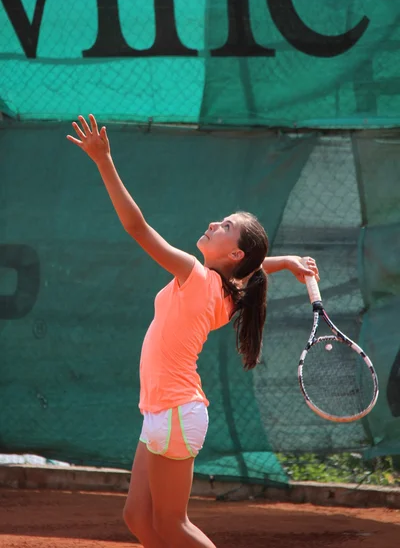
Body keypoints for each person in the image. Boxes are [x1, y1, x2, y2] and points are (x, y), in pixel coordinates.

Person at [67, 115, 320, 548]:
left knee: (173, 525)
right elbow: (250, 274)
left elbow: (137, 228)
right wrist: (287, 259)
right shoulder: (224, 294)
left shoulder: (198, 278)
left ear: (235, 252)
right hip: (161, 411)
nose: (214, 223)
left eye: (225, 227)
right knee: (137, 517)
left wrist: (104, 162)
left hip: (175, 411)